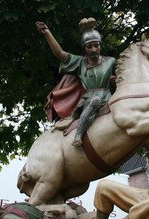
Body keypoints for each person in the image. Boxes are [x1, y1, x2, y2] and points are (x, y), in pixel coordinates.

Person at [36, 18, 116, 147]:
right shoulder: (80, 62)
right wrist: (47, 33)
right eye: (90, 46)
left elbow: (122, 75)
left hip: (108, 98)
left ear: (101, 46)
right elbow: (60, 54)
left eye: (96, 45)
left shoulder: (111, 61)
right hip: (90, 99)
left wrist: (116, 80)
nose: (94, 49)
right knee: (94, 101)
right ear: (85, 49)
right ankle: (78, 135)